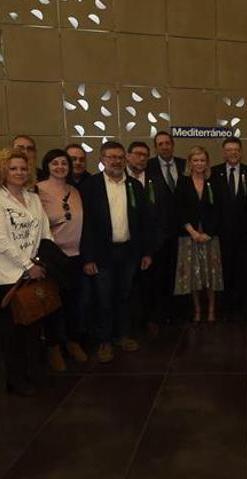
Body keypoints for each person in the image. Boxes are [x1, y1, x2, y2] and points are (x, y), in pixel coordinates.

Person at [80, 141, 154, 363]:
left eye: (120, 157)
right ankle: (104, 341)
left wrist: (146, 252)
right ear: (102, 160)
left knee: (124, 295)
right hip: (102, 253)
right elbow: (85, 226)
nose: (116, 161)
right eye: (111, 157)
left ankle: (122, 335)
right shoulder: (90, 187)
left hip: (129, 252)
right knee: (103, 297)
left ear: (126, 160)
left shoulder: (134, 186)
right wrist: (88, 257)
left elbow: (144, 223)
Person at [0, 148, 51, 396]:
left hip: (35, 270)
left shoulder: (33, 197)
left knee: (34, 326)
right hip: (8, 275)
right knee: (12, 332)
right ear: (3, 170)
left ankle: (33, 372)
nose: (19, 172)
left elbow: (45, 232)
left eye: (23, 168)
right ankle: (15, 379)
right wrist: (27, 265)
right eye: (13, 168)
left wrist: (41, 262)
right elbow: (0, 240)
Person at [37, 149, 88, 370]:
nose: (60, 167)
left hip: (76, 256)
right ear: (47, 165)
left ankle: (72, 341)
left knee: (74, 302)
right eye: (55, 163)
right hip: (53, 258)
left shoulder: (75, 191)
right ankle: (53, 346)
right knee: (53, 304)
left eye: (64, 163)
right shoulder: (37, 191)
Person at [174, 146, 225, 322]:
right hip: (190, 235)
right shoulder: (183, 181)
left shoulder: (215, 180)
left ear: (207, 162)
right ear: (190, 162)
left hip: (210, 236)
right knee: (193, 276)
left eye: (202, 160)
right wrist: (193, 232)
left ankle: (211, 309)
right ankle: (197, 310)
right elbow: (178, 210)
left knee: (210, 274)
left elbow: (220, 210)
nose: (199, 163)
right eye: (195, 160)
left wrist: (209, 233)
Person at [211, 137, 247, 320]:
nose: (233, 153)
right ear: (224, 152)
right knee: (224, 271)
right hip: (221, 234)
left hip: (245, 234)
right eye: (229, 150)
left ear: (241, 151)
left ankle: (241, 306)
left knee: (243, 271)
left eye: (236, 149)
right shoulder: (213, 173)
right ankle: (225, 306)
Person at [126, 141, 167, 335]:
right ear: (128, 156)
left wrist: (156, 241)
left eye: (145, 155)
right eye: (137, 154)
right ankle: (129, 324)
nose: (141, 158)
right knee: (127, 286)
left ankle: (150, 320)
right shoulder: (119, 178)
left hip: (151, 244)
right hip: (125, 244)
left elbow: (163, 212)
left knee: (150, 286)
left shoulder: (155, 180)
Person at [146, 131, 185, 323]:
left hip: (182, 231)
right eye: (160, 144)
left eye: (167, 143)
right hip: (158, 232)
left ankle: (177, 312)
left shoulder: (184, 164)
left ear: (173, 144)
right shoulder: (148, 166)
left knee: (179, 272)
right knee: (159, 274)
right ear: (156, 147)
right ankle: (159, 314)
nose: (164, 146)